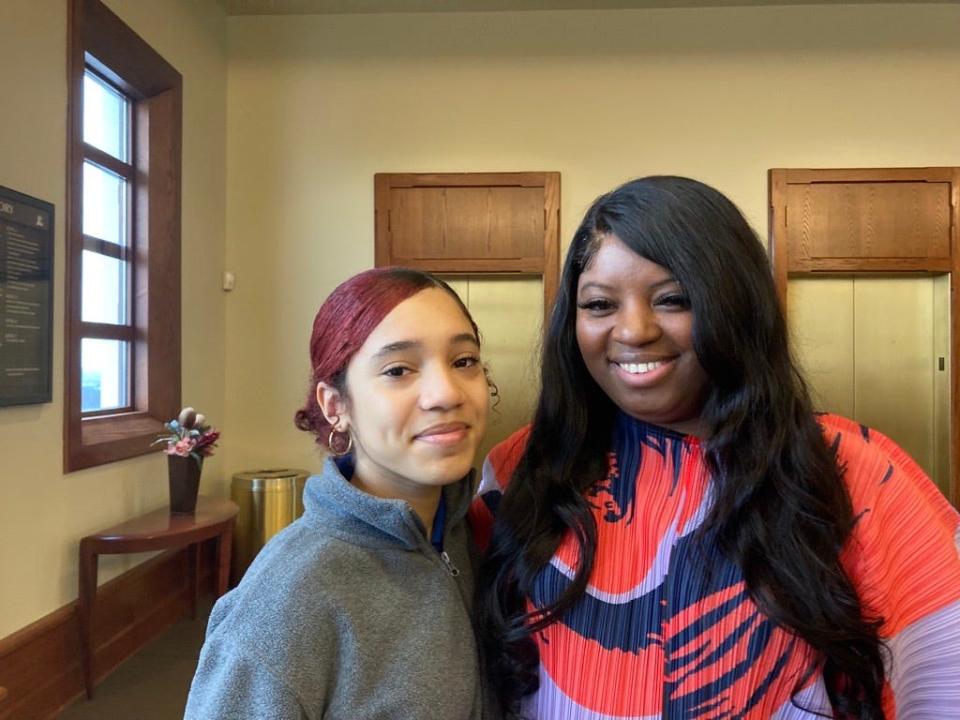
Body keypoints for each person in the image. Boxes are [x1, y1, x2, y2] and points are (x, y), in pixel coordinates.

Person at [473, 176, 960, 720]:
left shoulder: (854, 470)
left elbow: (940, 678)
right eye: (599, 303)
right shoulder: (523, 468)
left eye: (673, 299)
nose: (633, 330)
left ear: (735, 304)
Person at [186, 267, 494, 720]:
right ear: (336, 406)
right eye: (398, 370)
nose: (446, 393)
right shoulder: (287, 601)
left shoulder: (470, 533)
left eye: (464, 361)